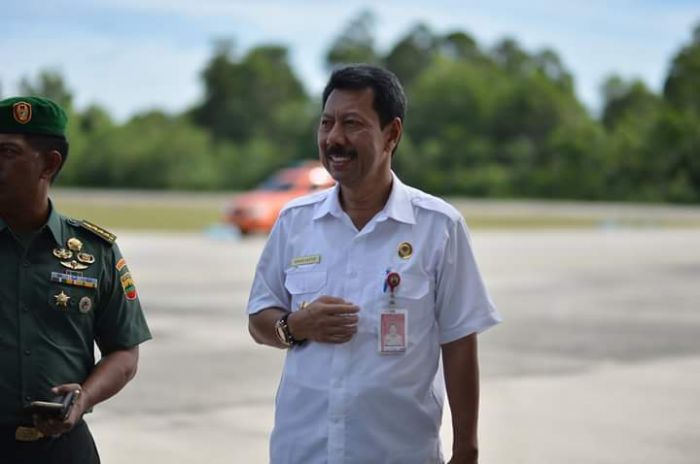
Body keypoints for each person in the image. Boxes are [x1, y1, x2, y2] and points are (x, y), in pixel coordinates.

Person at [247, 65, 501, 464]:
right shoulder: (294, 222)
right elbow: (259, 317)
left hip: (398, 453)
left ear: (392, 134)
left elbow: (459, 341)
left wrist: (466, 449)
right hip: (304, 451)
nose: (334, 138)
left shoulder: (438, 226)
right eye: (327, 123)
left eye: (352, 123)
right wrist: (296, 326)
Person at [0, 96, 152, 463]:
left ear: (48, 164)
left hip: (62, 451)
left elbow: (124, 351)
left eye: (6, 153)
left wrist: (83, 397)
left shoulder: (94, 250)